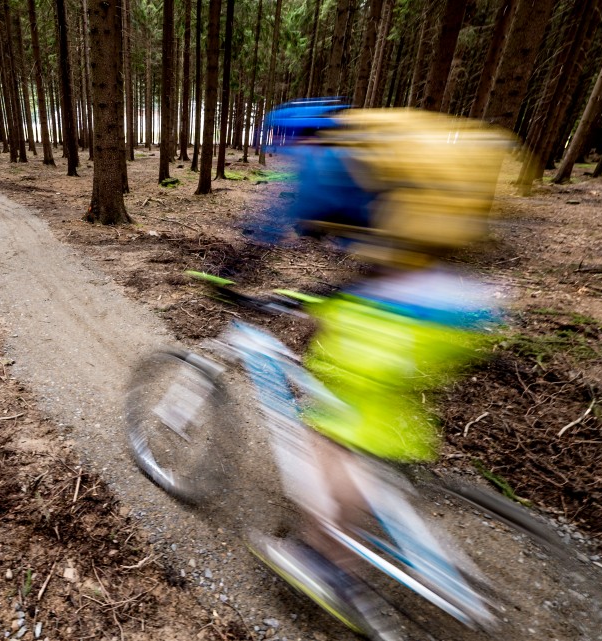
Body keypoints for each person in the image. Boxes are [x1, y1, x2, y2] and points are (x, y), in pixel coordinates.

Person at [246, 104, 514, 638]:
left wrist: (233, 275)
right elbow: (371, 255)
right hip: (457, 303)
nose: (279, 152)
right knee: (368, 398)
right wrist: (323, 297)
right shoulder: (382, 160)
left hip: (406, 310)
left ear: (292, 135)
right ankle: (385, 474)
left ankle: (324, 561)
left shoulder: (319, 162)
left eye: (280, 141)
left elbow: (270, 230)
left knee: (332, 426)